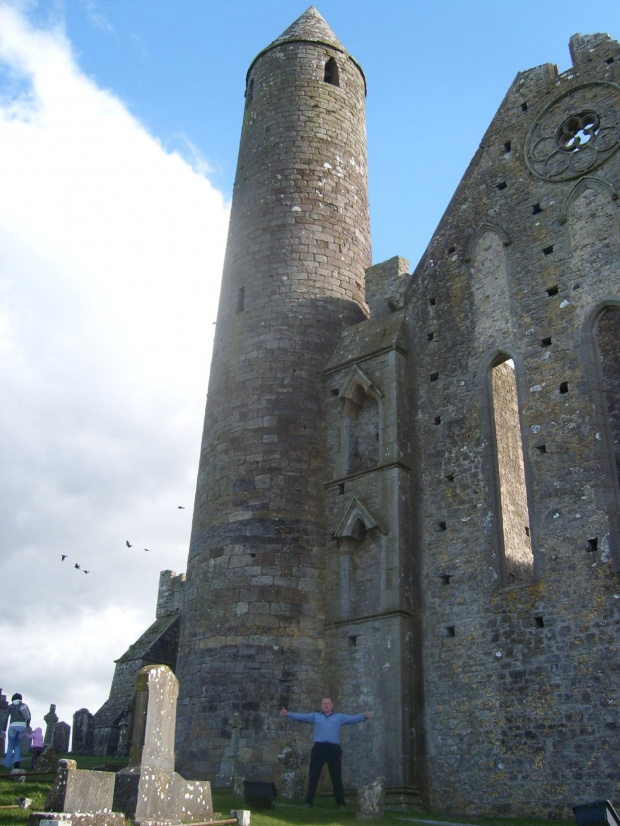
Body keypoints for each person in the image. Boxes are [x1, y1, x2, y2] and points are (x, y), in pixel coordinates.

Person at [280, 697, 370, 809]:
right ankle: (308, 802)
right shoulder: (315, 716)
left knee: (336, 777)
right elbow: (302, 717)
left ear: (332, 705)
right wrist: (287, 714)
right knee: (313, 775)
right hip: (319, 748)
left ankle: (340, 803)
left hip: (333, 749)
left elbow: (352, 719)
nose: (326, 705)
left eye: (328, 703)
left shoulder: (339, 717)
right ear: (321, 705)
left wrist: (364, 717)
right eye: (324, 704)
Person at [4, 693, 31, 770]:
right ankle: (17, 761)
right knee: (17, 745)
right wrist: (27, 726)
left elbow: (6, 718)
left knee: (10, 746)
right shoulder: (24, 705)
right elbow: (29, 717)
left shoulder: (10, 706)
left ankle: (7, 765)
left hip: (12, 726)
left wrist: (3, 729)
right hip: (22, 726)